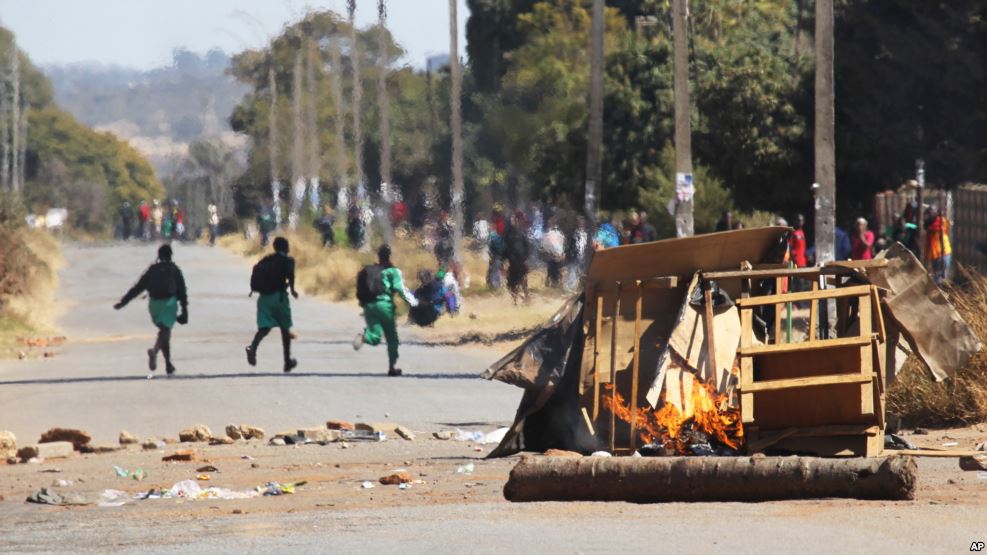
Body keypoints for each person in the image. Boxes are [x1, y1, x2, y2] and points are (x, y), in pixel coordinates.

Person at [114, 244, 188, 376]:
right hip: (169, 304)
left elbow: (138, 288)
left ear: (159, 256)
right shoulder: (175, 270)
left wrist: (123, 302)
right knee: (165, 332)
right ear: (171, 255)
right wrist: (184, 311)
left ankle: (168, 364)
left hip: (154, 305)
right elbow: (182, 292)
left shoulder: (152, 270)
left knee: (164, 331)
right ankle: (155, 351)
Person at [353, 245, 418, 376]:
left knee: (375, 336)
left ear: (378, 256)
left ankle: (365, 337)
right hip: (385, 306)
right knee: (392, 338)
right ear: (390, 256)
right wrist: (414, 303)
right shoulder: (392, 271)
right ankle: (392, 367)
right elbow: (401, 290)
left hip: (369, 306)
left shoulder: (369, 270)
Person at [246, 237, 299, 372]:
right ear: (286, 248)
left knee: (264, 328)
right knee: (285, 329)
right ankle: (287, 362)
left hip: (264, 298)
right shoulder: (288, 261)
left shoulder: (266, 260)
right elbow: (291, 277)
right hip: (280, 298)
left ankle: (253, 347)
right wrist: (292, 290)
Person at [504, 213, 531, 304]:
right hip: (512, 262)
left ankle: (527, 298)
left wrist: (526, 258)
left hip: (521, 261)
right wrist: (504, 260)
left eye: (514, 219)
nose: (512, 221)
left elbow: (527, 246)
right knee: (511, 284)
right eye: (511, 220)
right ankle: (515, 301)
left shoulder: (521, 232)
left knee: (523, 280)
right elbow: (505, 248)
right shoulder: (507, 234)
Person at [925, 207, 952, 284]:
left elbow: (943, 224)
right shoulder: (930, 225)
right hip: (936, 255)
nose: (928, 216)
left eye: (930, 213)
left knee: (939, 279)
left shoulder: (940, 222)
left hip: (943, 254)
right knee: (937, 277)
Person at [565, 215, 589, 292]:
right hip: (574, 256)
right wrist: (568, 253)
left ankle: (581, 288)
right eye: (578, 221)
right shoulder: (572, 232)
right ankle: (569, 287)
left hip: (584, 256)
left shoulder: (587, 233)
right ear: (576, 223)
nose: (580, 223)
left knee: (582, 273)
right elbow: (568, 245)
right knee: (572, 271)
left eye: (582, 221)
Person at [541, 219, 565, 288]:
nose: (550, 224)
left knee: (555, 269)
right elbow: (544, 244)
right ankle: (550, 281)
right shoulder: (547, 232)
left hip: (556, 254)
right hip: (551, 254)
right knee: (551, 268)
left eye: (551, 223)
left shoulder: (558, 233)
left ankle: (553, 282)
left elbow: (561, 242)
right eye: (549, 223)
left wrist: (561, 254)